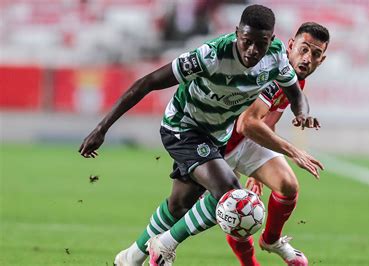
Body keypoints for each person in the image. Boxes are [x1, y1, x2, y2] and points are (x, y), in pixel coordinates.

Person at [78, 4, 320, 266]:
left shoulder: (276, 58)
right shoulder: (210, 56)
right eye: (246, 41)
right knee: (230, 193)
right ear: (237, 32)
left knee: (179, 206)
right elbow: (147, 83)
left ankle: (130, 258)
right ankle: (165, 245)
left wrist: (301, 113)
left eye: (260, 44)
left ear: (271, 40)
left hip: (215, 135)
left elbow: (296, 95)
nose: (252, 50)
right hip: (183, 127)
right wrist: (102, 128)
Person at [224, 22, 330, 266]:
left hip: (243, 141)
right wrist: (294, 152)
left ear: (322, 60)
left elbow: (267, 122)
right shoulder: (273, 70)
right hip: (215, 144)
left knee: (287, 185)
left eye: (315, 54)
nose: (307, 58)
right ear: (291, 45)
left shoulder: (296, 79)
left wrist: (257, 174)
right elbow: (247, 124)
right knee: (234, 213)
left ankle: (271, 240)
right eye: (304, 49)